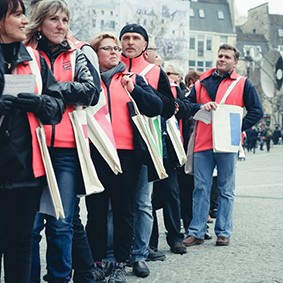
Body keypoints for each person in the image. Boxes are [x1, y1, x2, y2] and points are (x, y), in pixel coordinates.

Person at [24, 1, 98, 282]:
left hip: (66, 150)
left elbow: (91, 91)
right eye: (53, 19)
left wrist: (48, 89)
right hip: (32, 147)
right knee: (29, 228)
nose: (60, 25)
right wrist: (63, 92)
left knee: (62, 223)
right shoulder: (26, 53)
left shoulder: (76, 54)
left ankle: (58, 279)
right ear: (39, 22)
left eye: (65, 20)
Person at [85, 32, 163, 283]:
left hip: (127, 154)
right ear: (95, 53)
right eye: (107, 48)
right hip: (98, 152)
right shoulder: (88, 80)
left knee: (124, 211)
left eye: (116, 48)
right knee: (96, 210)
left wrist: (135, 91)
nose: (114, 51)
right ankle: (97, 262)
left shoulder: (132, 78)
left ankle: (120, 263)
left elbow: (156, 107)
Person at [0, 0, 65, 282]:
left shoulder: (35, 60)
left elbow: (57, 107)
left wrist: (40, 104)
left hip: (26, 172)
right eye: (16, 14)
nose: (25, 20)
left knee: (20, 248)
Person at [183, 43, 263, 247]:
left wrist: (237, 129)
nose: (222, 59)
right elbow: (187, 107)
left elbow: (257, 111)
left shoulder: (243, 83)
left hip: (228, 143)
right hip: (202, 142)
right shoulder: (201, 82)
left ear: (235, 62)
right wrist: (201, 106)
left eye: (227, 57)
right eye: (220, 56)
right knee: (201, 188)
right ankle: (197, 232)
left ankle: (223, 232)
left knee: (226, 188)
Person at [119, 23, 177, 278]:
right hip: (116, 144)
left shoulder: (155, 71)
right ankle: (114, 254)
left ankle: (140, 255)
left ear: (145, 44)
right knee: (115, 204)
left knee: (143, 203)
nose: (130, 42)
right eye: (126, 38)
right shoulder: (110, 66)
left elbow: (168, 106)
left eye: (136, 38)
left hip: (146, 145)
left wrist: (144, 93)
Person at [149, 62, 191, 258]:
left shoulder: (173, 88)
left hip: (166, 145)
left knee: (171, 193)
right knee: (146, 198)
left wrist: (174, 105)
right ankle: (150, 241)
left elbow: (185, 107)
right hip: (146, 145)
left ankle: (175, 237)